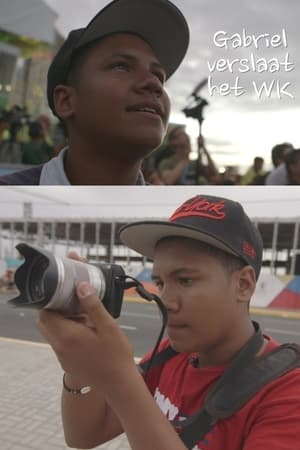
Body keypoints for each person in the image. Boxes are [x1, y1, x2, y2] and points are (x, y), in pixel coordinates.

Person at [37, 194, 300, 450]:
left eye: (185, 280)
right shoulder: (170, 356)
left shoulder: (288, 394)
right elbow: (83, 436)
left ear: (243, 285)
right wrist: (81, 366)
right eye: (160, 283)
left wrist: (119, 377)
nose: (165, 301)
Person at [0, 0, 189, 185]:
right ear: (66, 101)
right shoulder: (7, 203)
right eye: (121, 66)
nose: (153, 83)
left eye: (159, 75)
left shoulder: (171, 214)